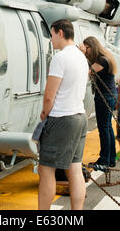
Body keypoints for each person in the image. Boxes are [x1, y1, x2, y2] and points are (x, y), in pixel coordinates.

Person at [38, 19, 88, 210]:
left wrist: (44, 114)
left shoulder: (60, 58)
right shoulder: (81, 56)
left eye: (51, 35)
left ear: (60, 32)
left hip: (61, 118)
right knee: (74, 168)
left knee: (46, 169)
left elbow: (50, 95)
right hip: (79, 117)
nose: (50, 40)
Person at [79, 36, 117, 168]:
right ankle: (111, 158)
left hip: (104, 96)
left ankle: (104, 159)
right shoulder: (106, 57)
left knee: (104, 128)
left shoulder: (101, 60)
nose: (86, 51)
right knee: (107, 127)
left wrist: (81, 55)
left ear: (91, 46)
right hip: (109, 95)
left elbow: (87, 72)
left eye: (87, 48)